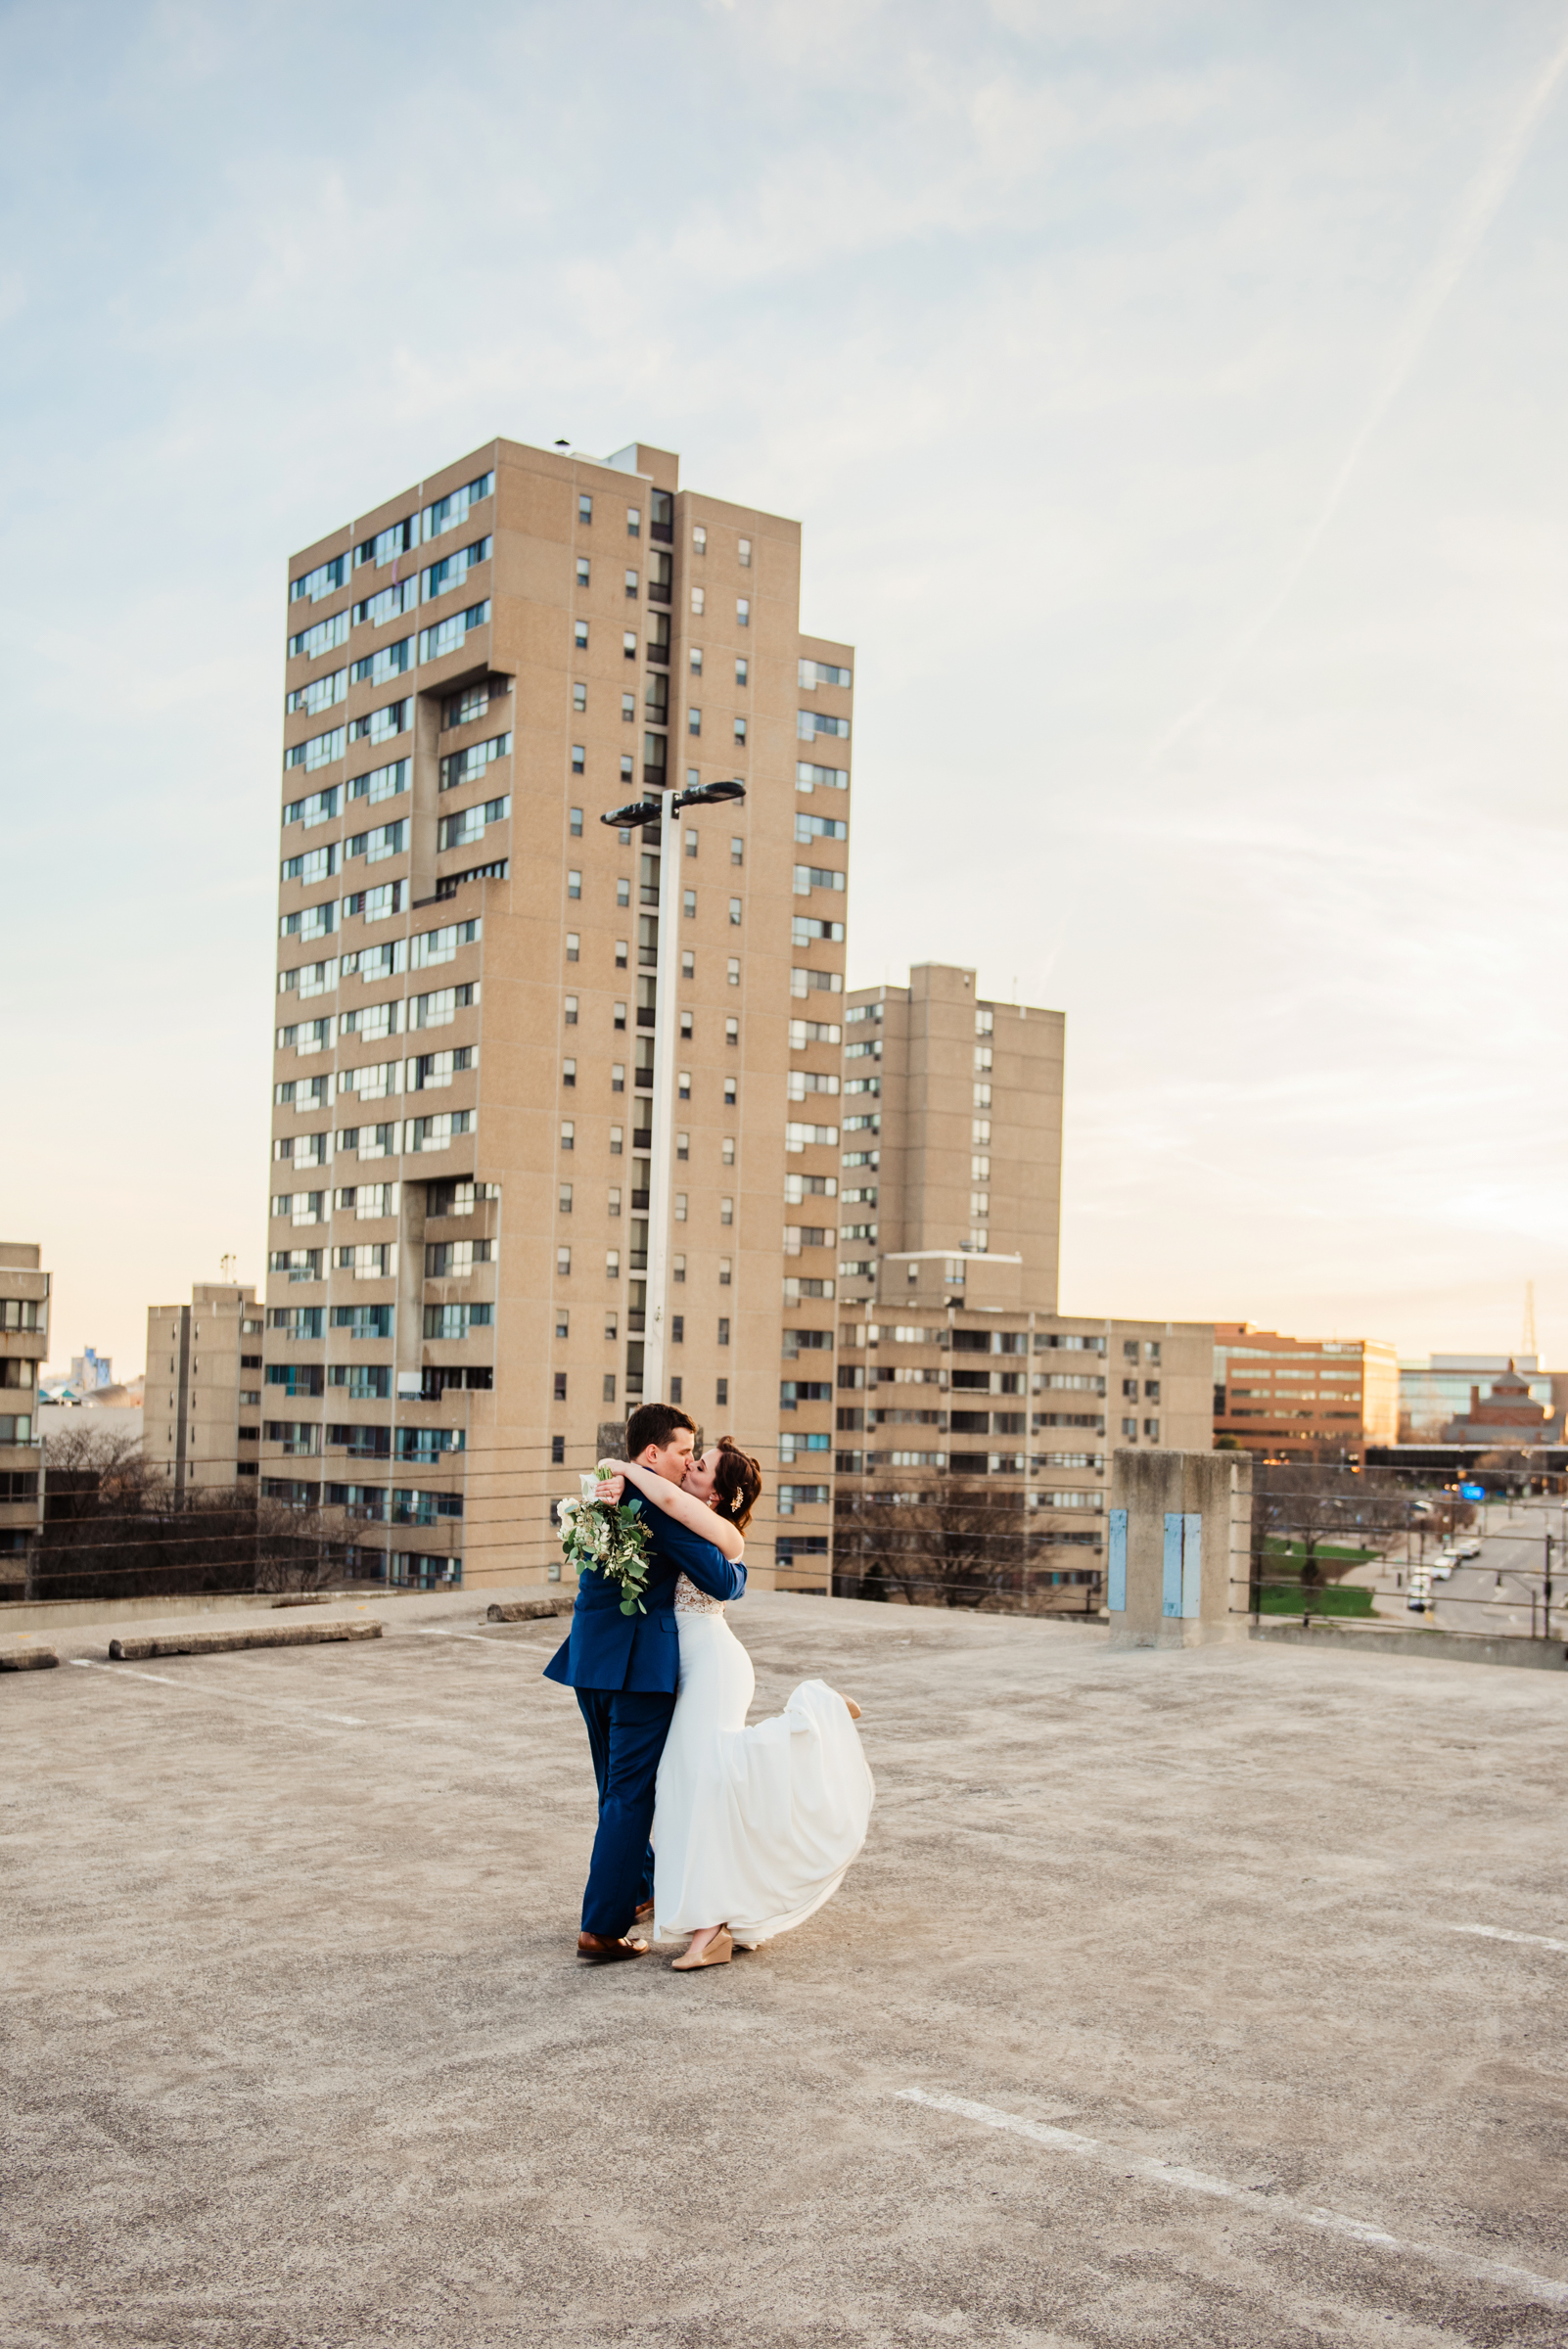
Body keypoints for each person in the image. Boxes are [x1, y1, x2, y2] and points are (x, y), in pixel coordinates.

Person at [603, 1437, 875, 1971]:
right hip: (685, 1669)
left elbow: (677, 1505)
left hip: (713, 1666)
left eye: (700, 1467)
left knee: (702, 1784)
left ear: (722, 1495)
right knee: (691, 1787)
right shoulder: (679, 1517)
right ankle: (718, 1921)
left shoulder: (721, 1533)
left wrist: (621, 1465)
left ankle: (816, 1712)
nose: (689, 1468)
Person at [543, 1403, 747, 1963]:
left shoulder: (602, 1489)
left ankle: (638, 1889)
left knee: (614, 1790)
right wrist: (742, 1567)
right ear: (653, 1454)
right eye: (685, 1451)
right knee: (631, 1797)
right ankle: (601, 1928)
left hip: (589, 1658)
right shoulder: (658, 1508)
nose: (689, 1463)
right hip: (638, 1669)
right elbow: (721, 1580)